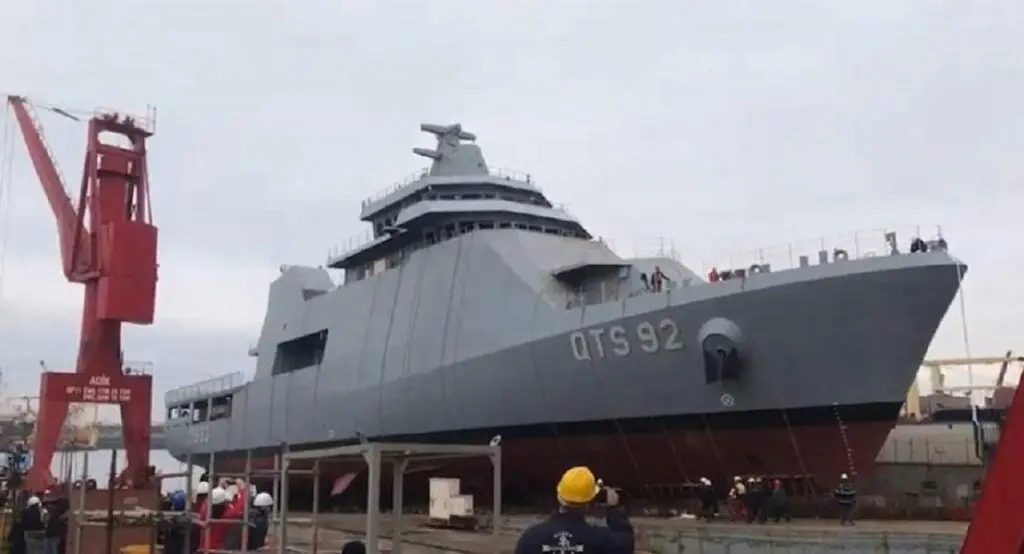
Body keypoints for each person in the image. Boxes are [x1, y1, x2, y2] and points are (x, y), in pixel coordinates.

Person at [514, 466, 634, 554]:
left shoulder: (530, 538)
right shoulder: (600, 540)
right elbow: (626, 545)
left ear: (559, 497)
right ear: (588, 504)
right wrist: (615, 509)